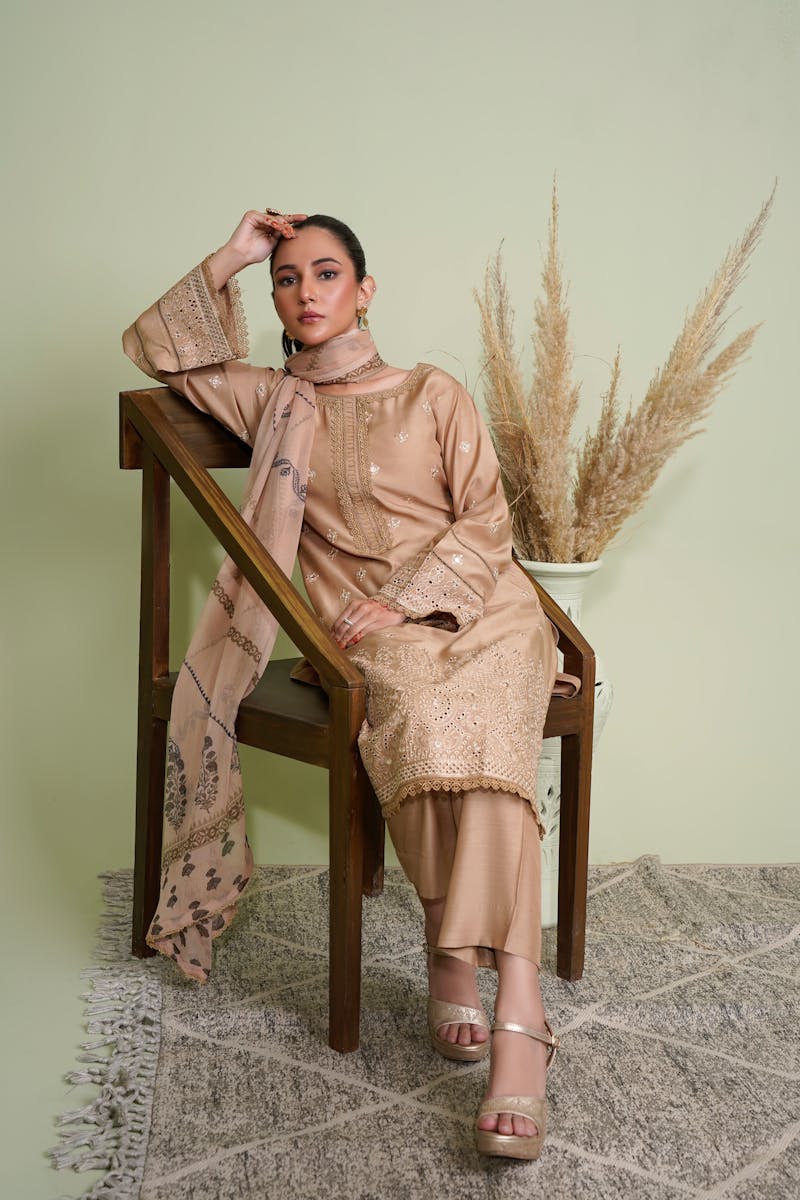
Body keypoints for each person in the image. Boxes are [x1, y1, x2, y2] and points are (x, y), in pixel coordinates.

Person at [122, 208, 575, 1161]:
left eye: (326, 273)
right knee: (420, 716)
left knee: (485, 732)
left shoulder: (432, 391)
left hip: (482, 611)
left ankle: (516, 1007)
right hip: (367, 635)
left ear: (365, 291)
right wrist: (234, 253)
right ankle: (454, 955)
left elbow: (487, 522)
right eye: (286, 278)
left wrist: (409, 597)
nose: (305, 292)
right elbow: (160, 349)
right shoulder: (270, 400)